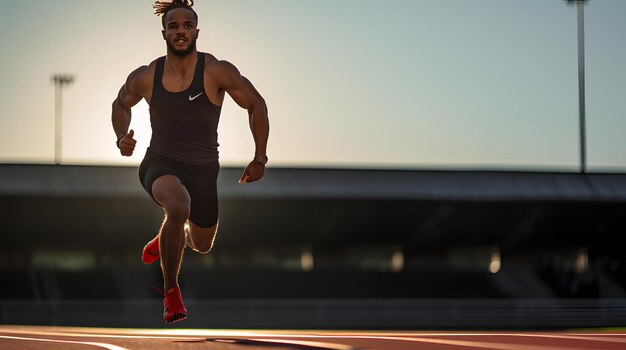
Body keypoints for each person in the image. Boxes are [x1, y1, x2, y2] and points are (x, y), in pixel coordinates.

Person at [111, 0, 269, 323]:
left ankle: (168, 233)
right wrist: (121, 136)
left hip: (204, 170)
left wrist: (260, 157)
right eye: (173, 26)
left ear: (196, 30)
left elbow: (256, 103)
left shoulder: (216, 71)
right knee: (179, 205)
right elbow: (120, 103)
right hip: (160, 162)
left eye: (186, 25)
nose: (180, 31)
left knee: (201, 243)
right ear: (164, 32)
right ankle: (171, 292)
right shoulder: (147, 75)